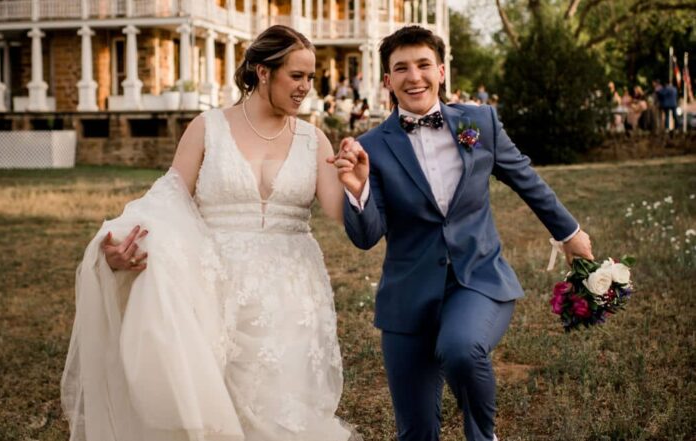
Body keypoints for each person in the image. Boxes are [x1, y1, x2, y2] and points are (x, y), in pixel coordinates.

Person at [62, 25, 360, 441]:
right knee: (217, 405)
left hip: (292, 291)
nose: (306, 88)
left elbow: (340, 213)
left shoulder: (314, 141)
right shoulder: (208, 127)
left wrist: (357, 186)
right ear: (262, 72)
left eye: (310, 78)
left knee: (283, 408)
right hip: (213, 283)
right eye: (297, 76)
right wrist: (120, 245)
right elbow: (168, 198)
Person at [331, 25, 593, 441]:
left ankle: (482, 436)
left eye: (422, 65)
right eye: (401, 68)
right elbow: (366, 237)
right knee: (416, 432)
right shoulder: (372, 147)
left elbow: (525, 178)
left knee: (460, 349)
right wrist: (358, 188)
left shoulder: (479, 122)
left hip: (477, 280)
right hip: (407, 298)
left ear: (440, 70)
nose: (413, 77)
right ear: (387, 80)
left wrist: (570, 233)